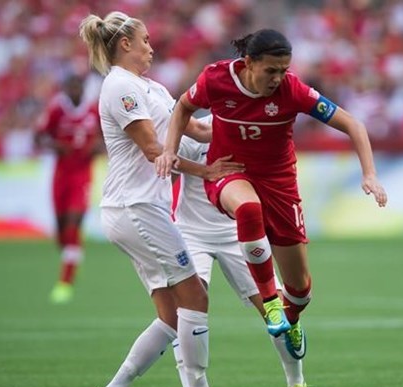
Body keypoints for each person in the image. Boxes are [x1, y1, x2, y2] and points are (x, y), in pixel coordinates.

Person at [156, 29, 388, 362]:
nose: (279, 78)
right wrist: (169, 151)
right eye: (271, 71)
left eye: (284, 70)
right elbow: (182, 108)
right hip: (230, 172)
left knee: (301, 289)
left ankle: (290, 316)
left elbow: (353, 124)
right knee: (248, 210)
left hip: (280, 184)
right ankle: (271, 303)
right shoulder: (216, 79)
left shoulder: (293, 90)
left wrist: (370, 174)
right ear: (248, 62)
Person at [78, 11, 248, 387]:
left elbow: (198, 132)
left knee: (173, 315)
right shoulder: (119, 87)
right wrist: (205, 172)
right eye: (146, 41)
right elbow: (155, 150)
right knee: (196, 297)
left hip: (141, 210)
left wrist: (246, 118)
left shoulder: (149, 87)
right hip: (135, 208)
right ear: (125, 45)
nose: (152, 47)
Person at [162, 115, 317, 387]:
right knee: (188, 309)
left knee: (276, 312)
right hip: (191, 233)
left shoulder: (252, 133)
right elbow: (167, 164)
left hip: (238, 236)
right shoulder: (193, 129)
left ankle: (297, 382)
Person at [34, 74, 103, 304]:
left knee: (74, 224)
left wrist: (98, 148)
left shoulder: (94, 111)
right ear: (65, 89)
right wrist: (55, 145)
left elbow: (109, 137)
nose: (74, 91)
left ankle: (65, 282)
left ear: (83, 89)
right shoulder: (57, 110)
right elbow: (38, 137)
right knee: (62, 231)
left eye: (77, 87)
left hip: (82, 176)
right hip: (61, 175)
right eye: (70, 87)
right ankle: (72, 257)